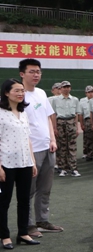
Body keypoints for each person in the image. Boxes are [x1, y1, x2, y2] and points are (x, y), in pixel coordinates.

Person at [18, 58, 61, 236]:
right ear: (22, 74)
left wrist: (52, 139)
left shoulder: (42, 93)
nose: (36, 75)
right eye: (32, 72)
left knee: (45, 188)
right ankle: (28, 225)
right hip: (30, 149)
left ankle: (42, 220)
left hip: (47, 147)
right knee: (28, 189)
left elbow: (48, 118)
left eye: (38, 72)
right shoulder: (18, 96)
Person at [0, 79, 40, 249]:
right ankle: (4, 236)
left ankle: (23, 233)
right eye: (16, 90)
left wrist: (32, 161)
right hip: (6, 164)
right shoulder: (1, 113)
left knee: (24, 200)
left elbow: (27, 139)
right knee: (4, 202)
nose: (20, 93)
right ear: (6, 93)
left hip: (25, 163)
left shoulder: (23, 113)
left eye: (22, 91)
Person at [52, 81, 81, 177]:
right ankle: (63, 168)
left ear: (70, 88)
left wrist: (77, 127)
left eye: (68, 87)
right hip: (60, 122)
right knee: (62, 146)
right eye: (64, 87)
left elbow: (76, 114)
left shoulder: (75, 100)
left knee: (72, 146)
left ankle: (73, 168)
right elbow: (54, 114)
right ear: (61, 89)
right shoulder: (55, 100)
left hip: (71, 122)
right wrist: (54, 128)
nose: (66, 89)